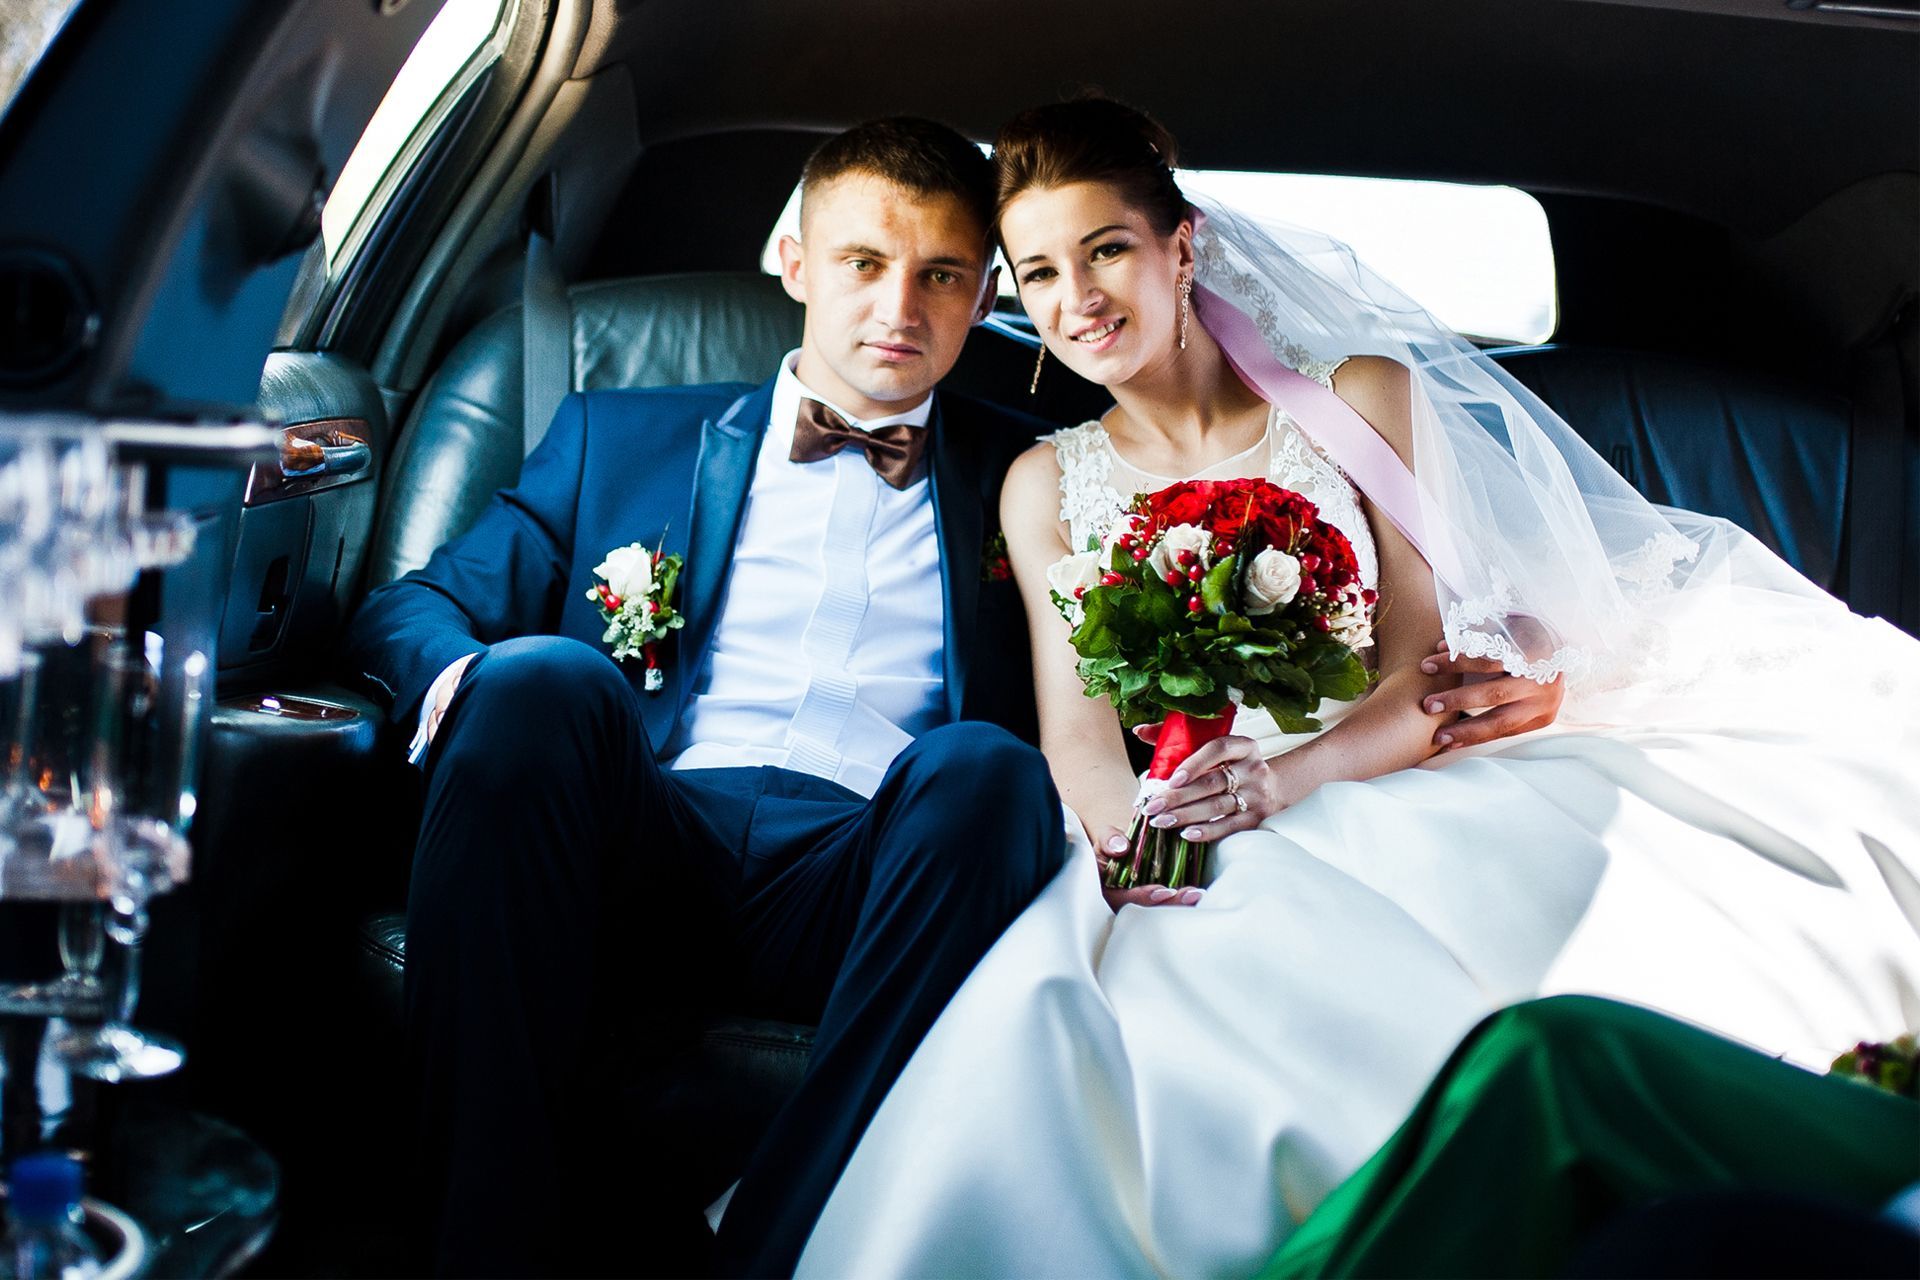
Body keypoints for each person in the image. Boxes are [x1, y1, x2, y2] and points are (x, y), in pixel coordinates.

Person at [793, 98, 1920, 1278]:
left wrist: (1280, 780)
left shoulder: (1357, 398)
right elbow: (1078, 738)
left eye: (1108, 248)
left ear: (1182, 247)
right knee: (1085, 1014)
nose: (1079, 296)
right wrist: (1144, 847)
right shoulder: (1040, 484)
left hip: (1381, 762)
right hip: (1186, 819)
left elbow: (1418, 664)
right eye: (1040, 271)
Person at [343, 118, 1074, 1278]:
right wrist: (480, 699)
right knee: (539, 675)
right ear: (791, 259)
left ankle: (778, 1245)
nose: (902, 307)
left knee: (987, 766)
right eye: (865, 263)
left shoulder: (1041, 474)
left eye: (942, 274)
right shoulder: (616, 434)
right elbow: (415, 607)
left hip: (878, 871)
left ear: (985, 294)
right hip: (642, 840)